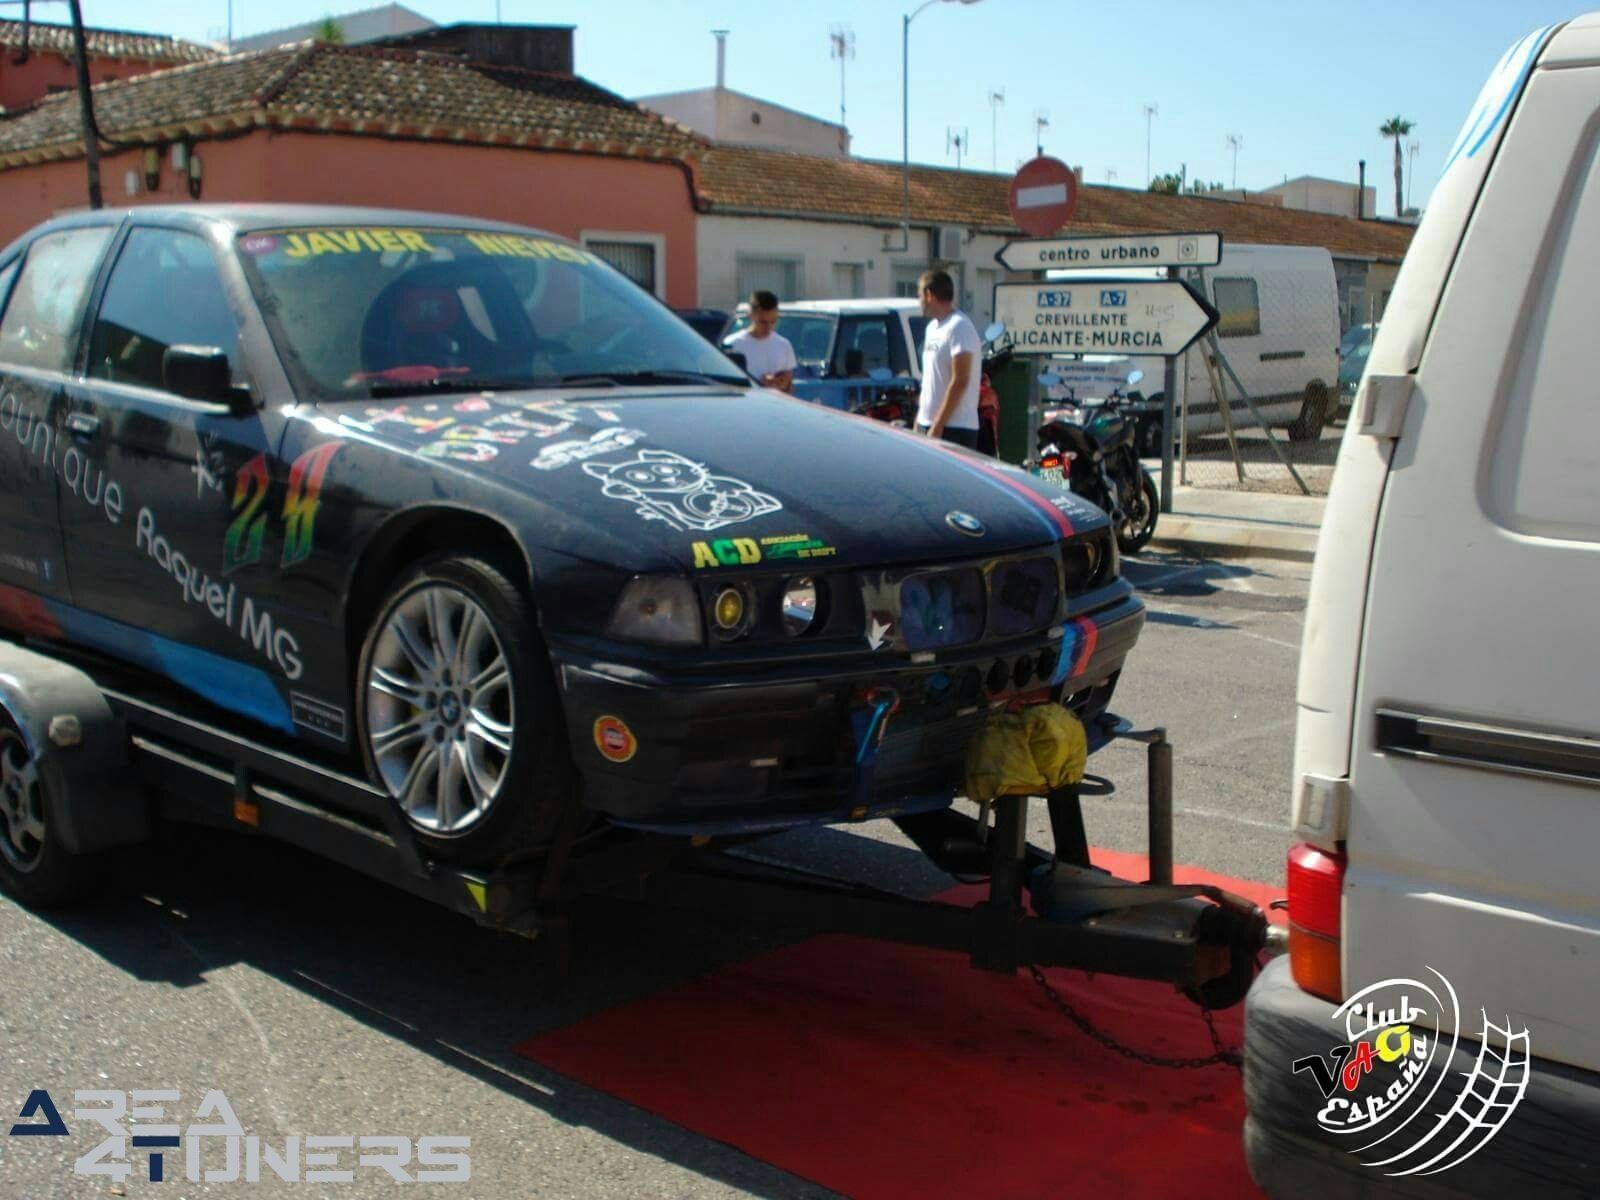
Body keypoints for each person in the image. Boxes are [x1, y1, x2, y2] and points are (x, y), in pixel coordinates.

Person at [914, 269, 982, 449]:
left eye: (919, 295)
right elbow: (930, 381)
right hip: (927, 424)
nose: (919, 301)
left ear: (929, 295)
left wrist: (938, 425)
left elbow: (961, 380)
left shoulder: (959, 327)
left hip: (954, 428)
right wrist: (919, 421)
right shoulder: (931, 328)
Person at [725, 290, 796, 393]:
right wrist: (760, 384)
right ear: (751, 315)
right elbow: (725, 384)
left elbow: (790, 387)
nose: (769, 327)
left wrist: (779, 382)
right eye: (763, 322)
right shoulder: (733, 344)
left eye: (773, 321)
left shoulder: (784, 345)